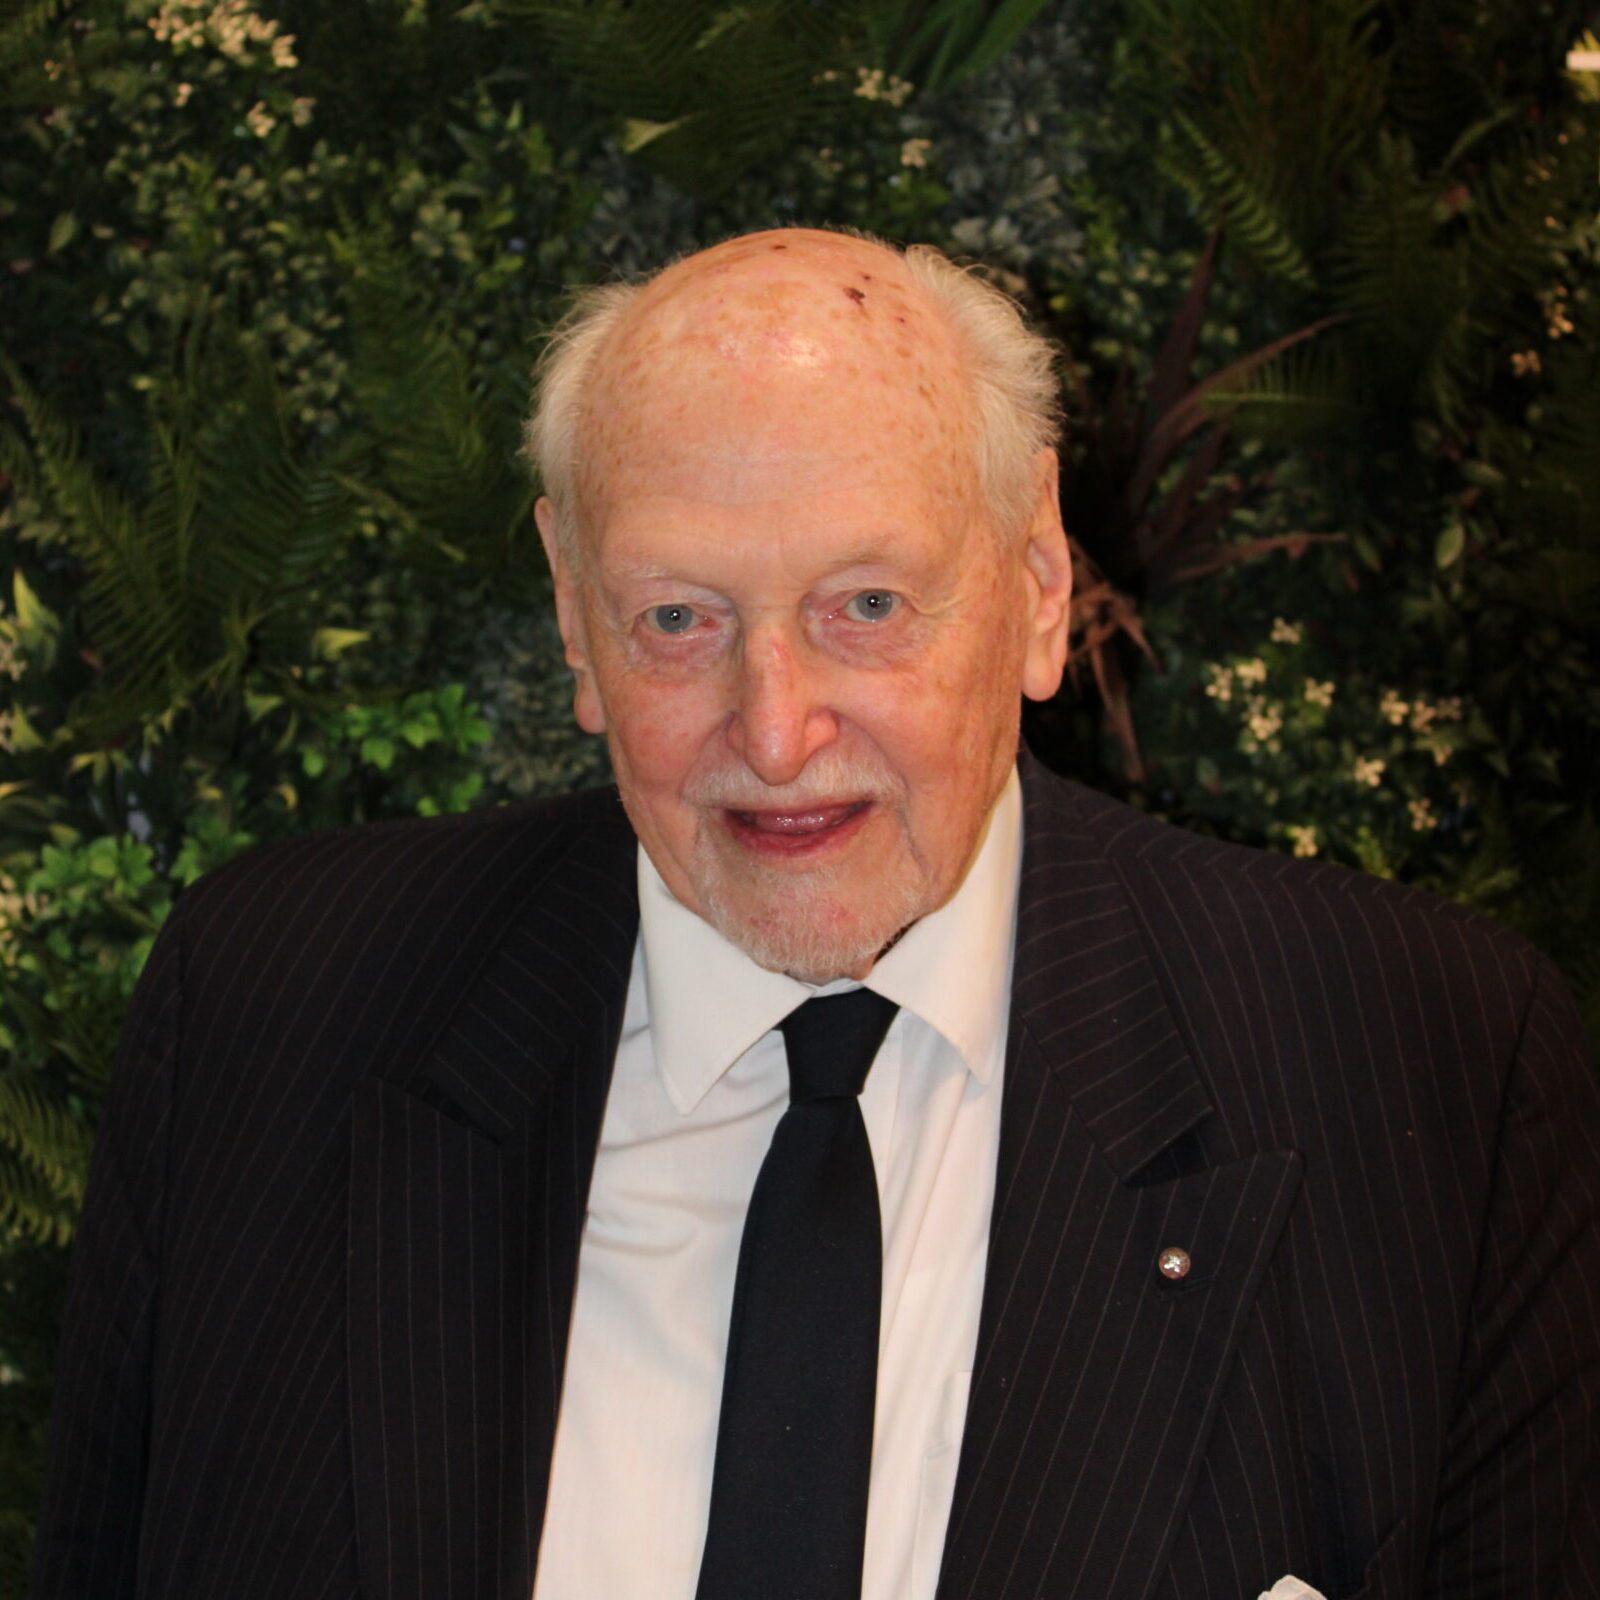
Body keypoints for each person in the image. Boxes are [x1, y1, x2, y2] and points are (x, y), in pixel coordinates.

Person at [32, 228, 1599, 1600]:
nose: (775, 733)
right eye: (676, 619)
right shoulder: (270, 1009)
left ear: (1042, 580)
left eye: (867, 605)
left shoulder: (1430, 1069)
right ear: (573, 612)